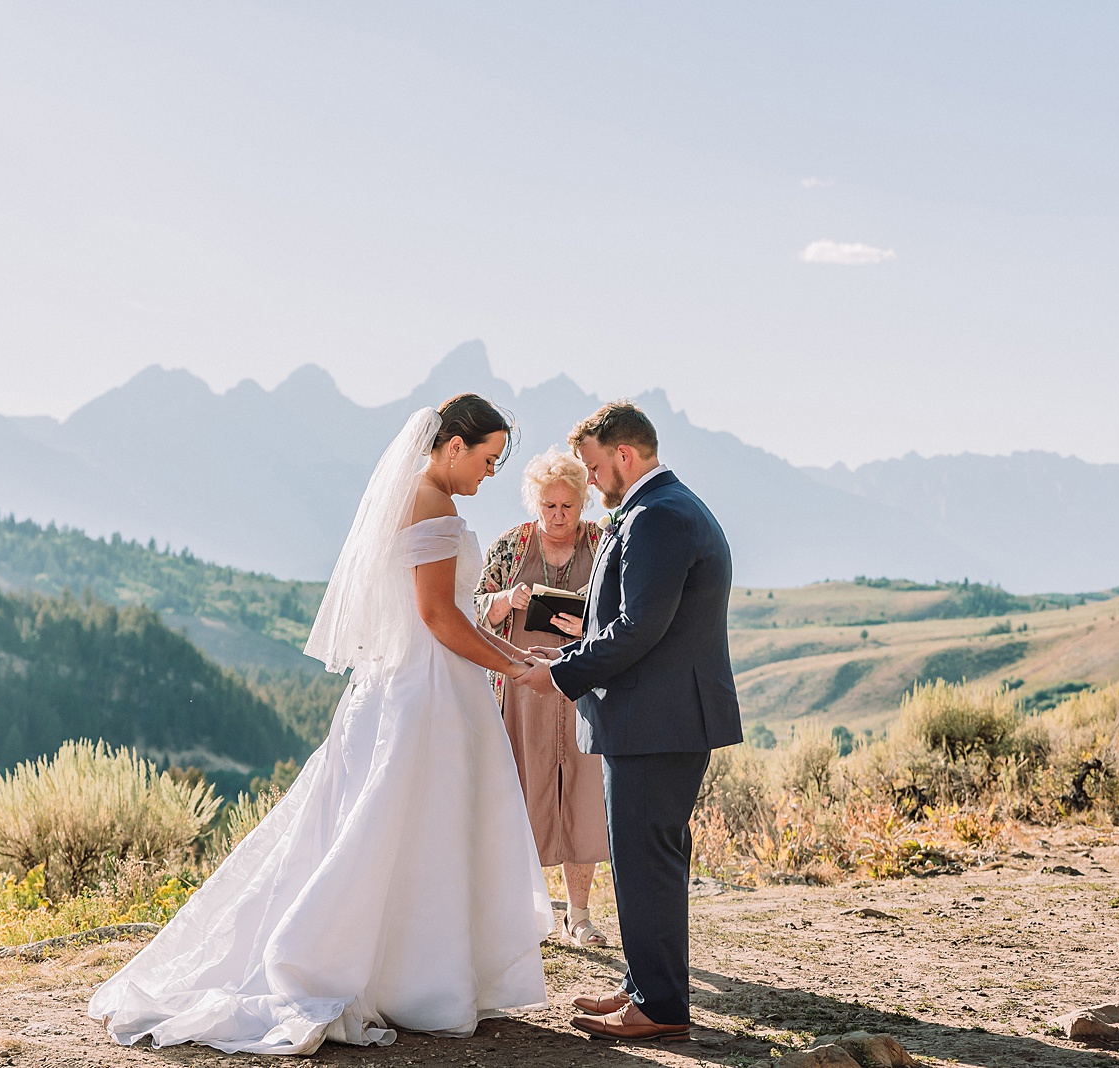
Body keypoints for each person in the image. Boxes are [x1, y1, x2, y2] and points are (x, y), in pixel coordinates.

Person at [88, 395, 554, 1055]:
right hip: (429, 691)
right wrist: (513, 666)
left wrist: (511, 656)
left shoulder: (412, 498)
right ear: (454, 447)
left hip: (400, 686)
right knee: (421, 829)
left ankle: (410, 972)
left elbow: (448, 613)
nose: (488, 475)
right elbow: (439, 619)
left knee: (390, 830)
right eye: (487, 459)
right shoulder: (437, 505)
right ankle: (396, 973)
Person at [517, 400, 742, 1043]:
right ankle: (645, 986)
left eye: (592, 468)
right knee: (642, 860)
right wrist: (576, 641)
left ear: (623, 455)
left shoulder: (660, 516)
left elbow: (641, 627)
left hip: (659, 722)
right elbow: (633, 617)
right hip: (655, 719)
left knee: (648, 860)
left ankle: (662, 1006)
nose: (590, 482)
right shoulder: (658, 510)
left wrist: (563, 673)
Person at [476, 448, 610, 948]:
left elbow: (624, 611)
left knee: (582, 797)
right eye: (549, 507)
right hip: (521, 691)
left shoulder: (602, 541)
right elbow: (471, 613)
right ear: (535, 503)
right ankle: (523, 916)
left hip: (584, 689)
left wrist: (589, 624)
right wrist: (504, 601)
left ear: (583, 503)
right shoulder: (510, 546)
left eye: (568, 508)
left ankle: (579, 916)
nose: (558, 518)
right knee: (520, 796)